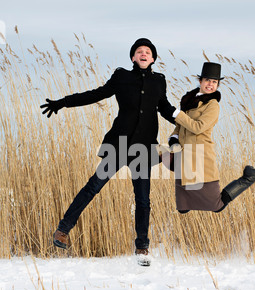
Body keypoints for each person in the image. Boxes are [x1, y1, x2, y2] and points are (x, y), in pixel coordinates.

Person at [40, 38, 177, 266]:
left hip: (143, 150)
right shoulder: (122, 76)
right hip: (118, 145)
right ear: (133, 57)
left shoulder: (159, 81)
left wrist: (188, 121)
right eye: (139, 51)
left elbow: (165, 108)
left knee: (143, 200)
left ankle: (142, 247)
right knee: (93, 186)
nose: (143, 54)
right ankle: (62, 230)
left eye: (148, 52)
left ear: (153, 58)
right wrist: (63, 102)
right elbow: (96, 94)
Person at [168, 62, 255, 214]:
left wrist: (177, 114)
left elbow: (198, 127)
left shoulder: (212, 105)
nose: (210, 84)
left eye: (214, 82)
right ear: (200, 81)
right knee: (183, 208)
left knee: (217, 206)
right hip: (183, 157)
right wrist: (174, 137)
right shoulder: (188, 101)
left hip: (200, 157)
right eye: (208, 80)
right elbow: (179, 125)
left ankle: (249, 177)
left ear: (217, 85)